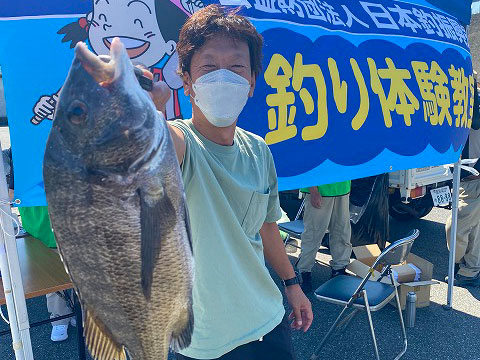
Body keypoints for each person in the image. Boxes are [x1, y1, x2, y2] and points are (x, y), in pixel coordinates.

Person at [145, 5, 313, 359]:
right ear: (187, 81)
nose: (224, 77)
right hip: (203, 342)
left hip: (268, 321)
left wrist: (292, 285)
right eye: (208, 66)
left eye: (237, 66)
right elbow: (155, 149)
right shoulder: (179, 141)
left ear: (252, 82)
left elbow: (267, 228)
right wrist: (142, 109)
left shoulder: (258, 149)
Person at [7, 151, 74, 342]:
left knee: (77, 274)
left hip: (70, 226)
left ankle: (75, 312)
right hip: (41, 228)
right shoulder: (23, 152)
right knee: (52, 279)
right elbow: (12, 192)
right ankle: (60, 318)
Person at [445, 78, 480, 287]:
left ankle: (459, 265)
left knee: (456, 225)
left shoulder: (473, 107)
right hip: (469, 176)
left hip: (472, 177)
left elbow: (474, 121)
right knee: (475, 228)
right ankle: (470, 271)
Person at [296, 181, 352, 293]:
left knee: (342, 233)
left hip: (342, 189)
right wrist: (313, 191)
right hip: (320, 191)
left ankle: (339, 269)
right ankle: (304, 271)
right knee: (313, 235)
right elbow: (307, 163)